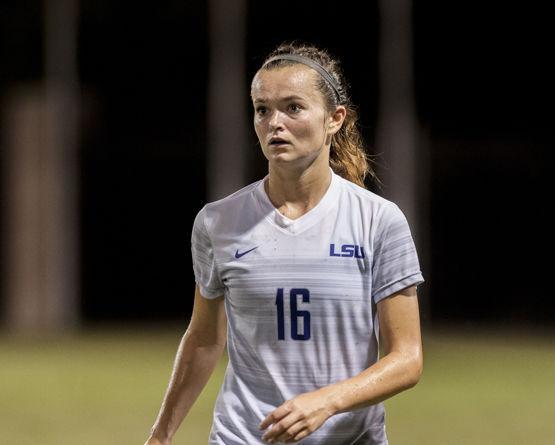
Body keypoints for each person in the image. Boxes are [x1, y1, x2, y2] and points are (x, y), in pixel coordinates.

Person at [144, 42, 424, 445]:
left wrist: (328, 401)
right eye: (262, 109)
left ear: (334, 119)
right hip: (242, 435)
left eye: (293, 107)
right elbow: (205, 339)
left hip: (347, 438)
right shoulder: (218, 222)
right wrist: (160, 435)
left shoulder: (378, 221)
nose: (275, 122)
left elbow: (407, 358)